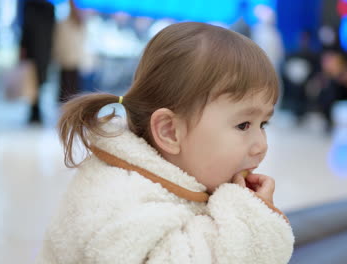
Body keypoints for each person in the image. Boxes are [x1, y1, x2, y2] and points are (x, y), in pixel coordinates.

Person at [37, 22, 294, 263]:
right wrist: (249, 214)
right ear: (170, 131)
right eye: (243, 125)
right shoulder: (122, 202)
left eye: (264, 125)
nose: (261, 144)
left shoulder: (160, 174)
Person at [20, 0, 55, 123]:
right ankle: (35, 111)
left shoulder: (30, 6)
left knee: (36, 81)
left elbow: (25, 28)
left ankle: (35, 111)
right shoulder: (47, 7)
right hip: (42, 50)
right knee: (36, 81)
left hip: (36, 50)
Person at [53, 0, 89, 103]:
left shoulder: (77, 23)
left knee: (70, 87)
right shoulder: (66, 23)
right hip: (69, 59)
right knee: (70, 88)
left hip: (71, 59)